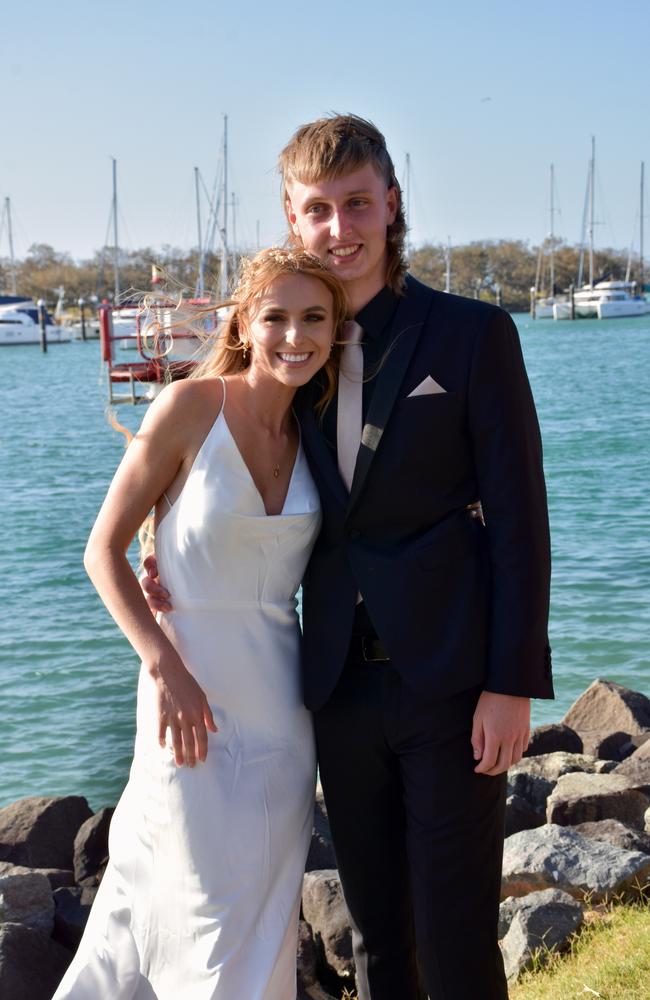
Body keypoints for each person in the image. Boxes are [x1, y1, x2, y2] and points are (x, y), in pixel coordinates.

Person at [144, 115, 554, 1000]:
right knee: (375, 941)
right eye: (319, 211)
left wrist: (511, 680)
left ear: (392, 204)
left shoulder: (473, 335)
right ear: (294, 220)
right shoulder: (291, 354)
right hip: (331, 687)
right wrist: (164, 555)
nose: (341, 229)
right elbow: (209, 462)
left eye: (357, 204)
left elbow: (522, 522)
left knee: (455, 943)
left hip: (452, 682)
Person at [52, 247, 348, 1000]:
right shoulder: (190, 408)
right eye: (275, 316)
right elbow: (102, 551)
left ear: (336, 328)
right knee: (192, 912)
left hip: (284, 713)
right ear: (246, 322)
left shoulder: (318, 431)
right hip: (187, 703)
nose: (294, 336)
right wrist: (165, 666)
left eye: (314, 317)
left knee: (262, 921)